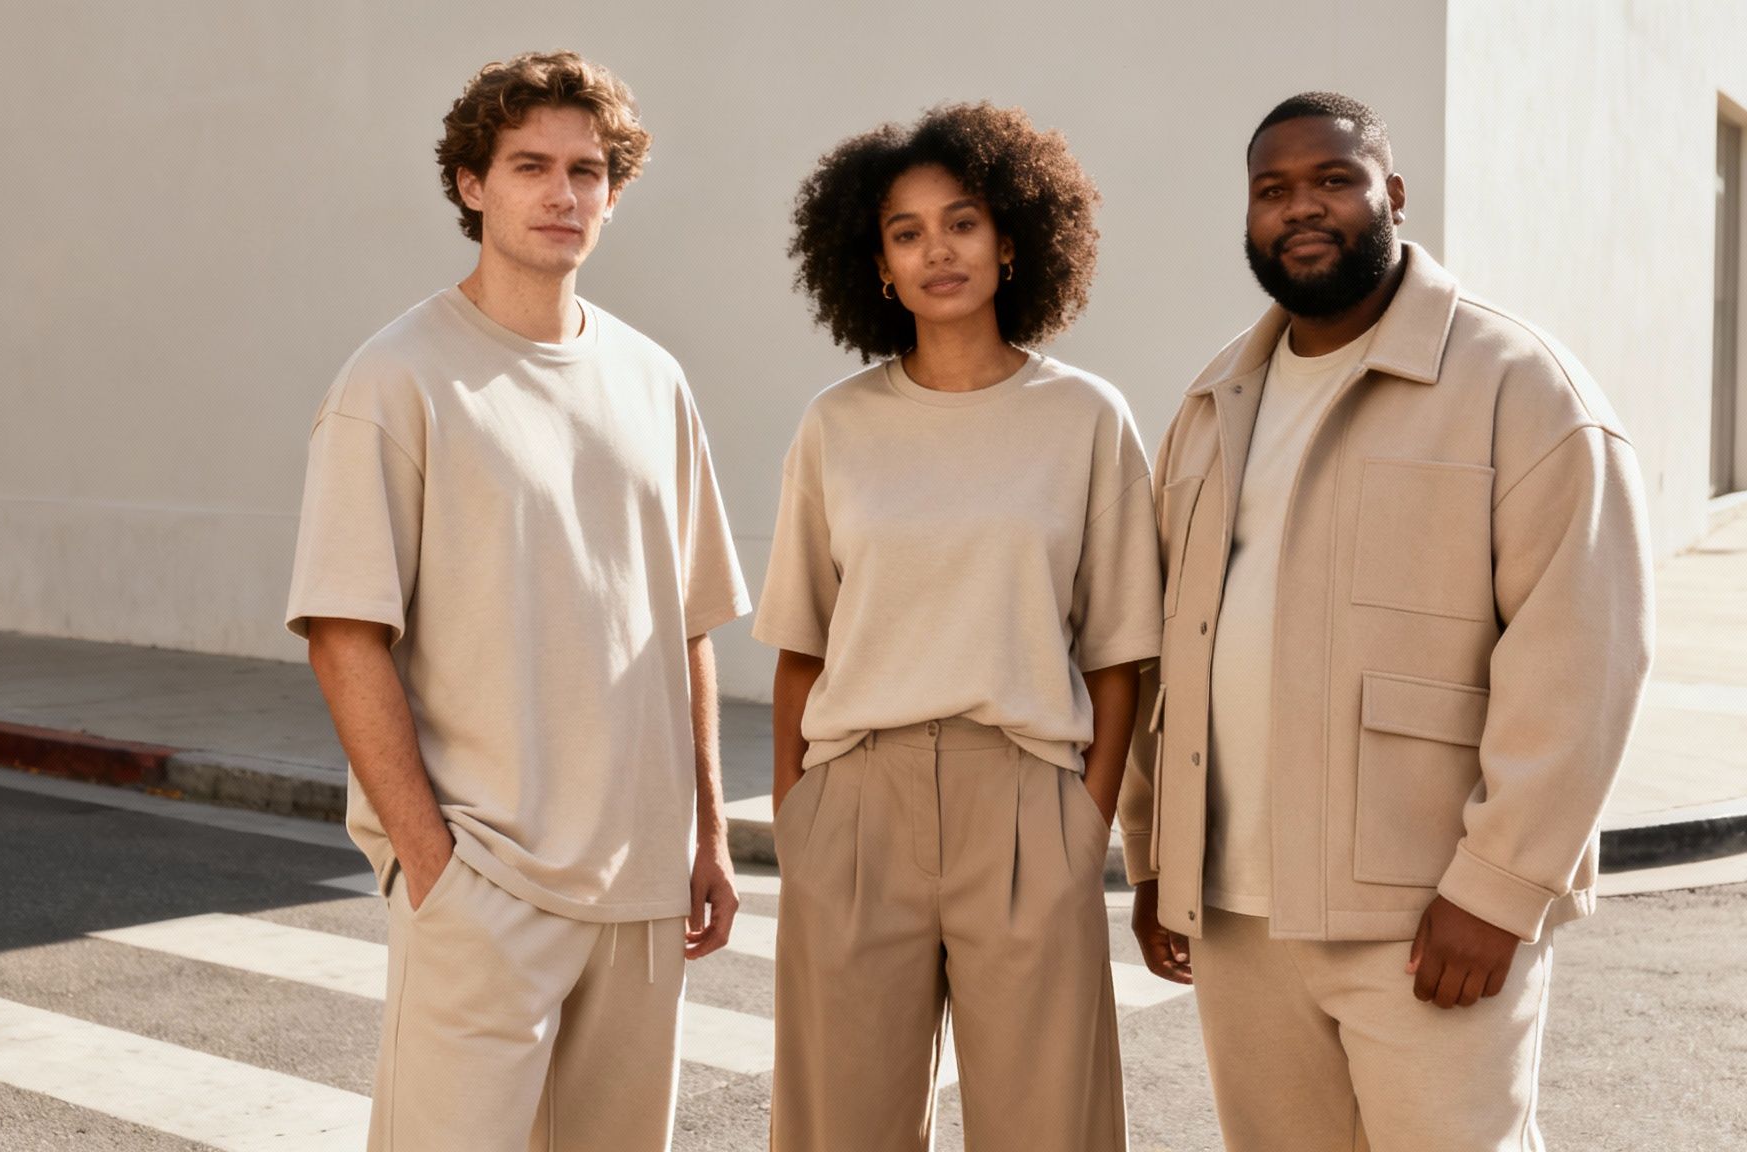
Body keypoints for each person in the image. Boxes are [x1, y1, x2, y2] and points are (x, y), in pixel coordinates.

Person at [1119, 91, 1654, 1151]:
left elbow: (1583, 657)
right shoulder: (1214, 399)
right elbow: (1165, 647)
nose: (1299, 208)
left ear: (1391, 195)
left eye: (1331, 178)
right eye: (1271, 190)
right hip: (1237, 913)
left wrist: (1498, 891)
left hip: (1423, 919)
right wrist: (1152, 859)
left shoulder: (1516, 386)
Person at [283, 51, 750, 1152]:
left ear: (613, 192)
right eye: (530, 165)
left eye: (587, 171)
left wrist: (708, 836)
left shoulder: (653, 378)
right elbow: (345, 638)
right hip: (487, 885)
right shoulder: (395, 378)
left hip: (640, 898)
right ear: (469, 184)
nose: (562, 194)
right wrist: (430, 869)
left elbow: (681, 622)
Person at [755, 101, 1159, 1151]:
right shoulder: (836, 424)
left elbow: (1121, 652)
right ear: (876, 265)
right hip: (855, 805)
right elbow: (802, 642)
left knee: (1046, 1127)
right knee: (839, 1127)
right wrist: (799, 818)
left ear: (1013, 238)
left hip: (1027, 800)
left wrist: (1085, 824)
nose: (937, 249)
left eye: (962, 220)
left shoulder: (1085, 418)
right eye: (905, 230)